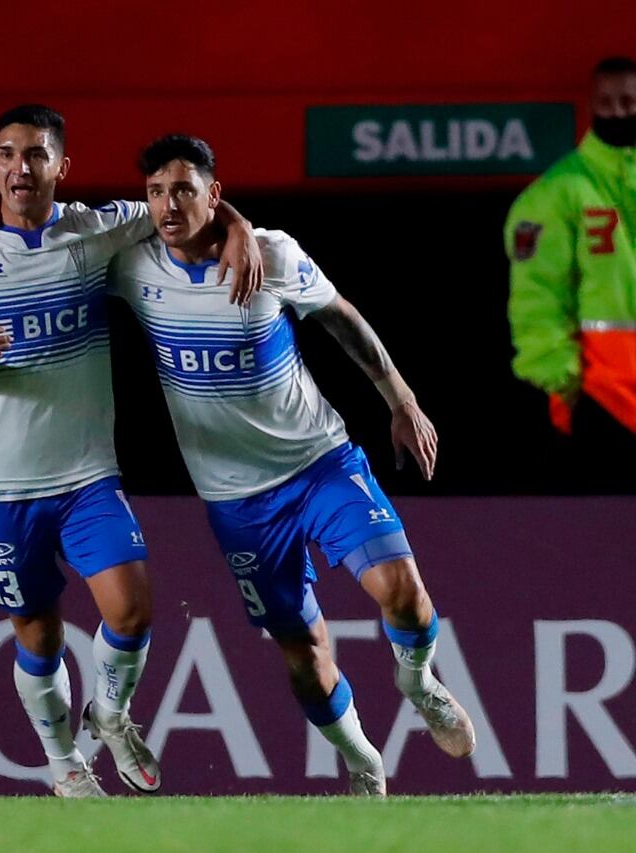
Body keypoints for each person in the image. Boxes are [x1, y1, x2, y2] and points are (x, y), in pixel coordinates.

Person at [106, 134, 475, 795]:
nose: (168, 204)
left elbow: (341, 318)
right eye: (157, 191)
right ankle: (363, 757)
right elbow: (55, 236)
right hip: (237, 504)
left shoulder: (270, 253)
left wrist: (402, 400)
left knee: (407, 597)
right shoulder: (133, 266)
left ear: (213, 195)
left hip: (319, 462)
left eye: (185, 189)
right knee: (304, 660)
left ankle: (418, 680)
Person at [0, 105, 261, 797]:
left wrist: (242, 228)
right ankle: (62, 763)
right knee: (38, 634)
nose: (22, 167)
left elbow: (184, 206)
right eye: (8, 154)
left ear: (60, 167)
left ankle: (107, 712)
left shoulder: (95, 228)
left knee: (131, 607)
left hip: (84, 474)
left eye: (37, 155)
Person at [506, 56, 636, 490]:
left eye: (629, 101)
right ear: (592, 104)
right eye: (608, 102)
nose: (619, 112)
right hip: (603, 402)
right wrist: (565, 386)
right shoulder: (555, 194)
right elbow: (537, 300)